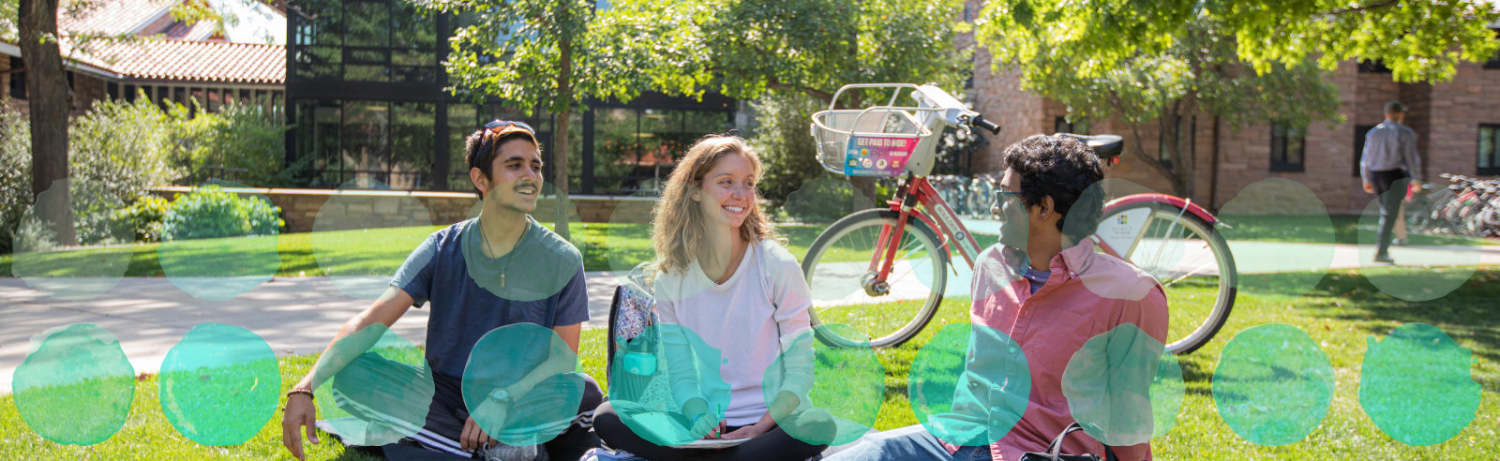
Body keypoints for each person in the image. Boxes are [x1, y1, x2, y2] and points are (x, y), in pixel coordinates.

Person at [825, 135, 1169, 461]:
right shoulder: (991, 264)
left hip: (1039, 454)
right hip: (959, 438)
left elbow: (1130, 415)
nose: (993, 207)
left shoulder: (1131, 295)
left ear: (1044, 208)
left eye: (1005, 197)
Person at [280, 120, 602, 461]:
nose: (531, 176)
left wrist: (504, 400)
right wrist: (304, 388)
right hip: (446, 394)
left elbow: (562, 358)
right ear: (480, 179)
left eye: (535, 166)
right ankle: (498, 448)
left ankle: (459, 445)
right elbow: (370, 320)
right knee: (351, 375)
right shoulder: (440, 248)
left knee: (582, 388)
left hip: (523, 396)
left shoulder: (563, 258)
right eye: (514, 165)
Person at [591, 135, 830, 461]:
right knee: (608, 416)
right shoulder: (671, 278)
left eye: (748, 184)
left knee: (817, 425)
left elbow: (800, 370)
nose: (741, 195)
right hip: (705, 428)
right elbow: (681, 373)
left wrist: (759, 428)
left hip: (772, 424)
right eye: (726, 182)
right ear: (694, 192)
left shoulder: (777, 265)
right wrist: (697, 416)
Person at [1361, 100, 1423, 263]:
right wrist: (1416, 178)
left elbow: (1365, 158)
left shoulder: (1374, 132)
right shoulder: (1404, 132)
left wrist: (1366, 178)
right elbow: (1411, 158)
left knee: (1386, 212)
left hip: (1376, 175)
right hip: (1394, 175)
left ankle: (1381, 249)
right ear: (1399, 114)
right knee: (1389, 214)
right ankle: (1381, 252)